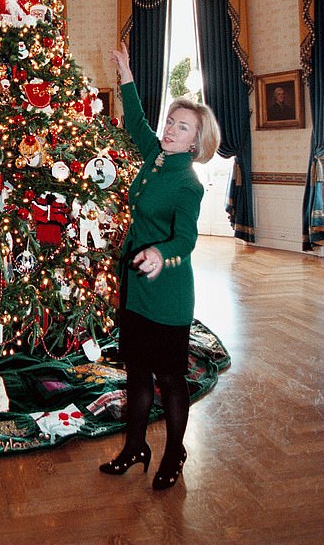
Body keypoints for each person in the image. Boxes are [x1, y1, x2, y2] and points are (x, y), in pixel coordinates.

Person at [100, 42, 220, 490]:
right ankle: (134, 447)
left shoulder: (187, 183)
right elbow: (135, 122)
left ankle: (174, 453)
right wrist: (127, 72)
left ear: (196, 140)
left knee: (170, 378)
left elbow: (185, 240)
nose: (170, 129)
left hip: (167, 291)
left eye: (182, 126)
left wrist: (158, 255)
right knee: (136, 373)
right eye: (171, 120)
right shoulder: (156, 157)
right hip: (137, 284)